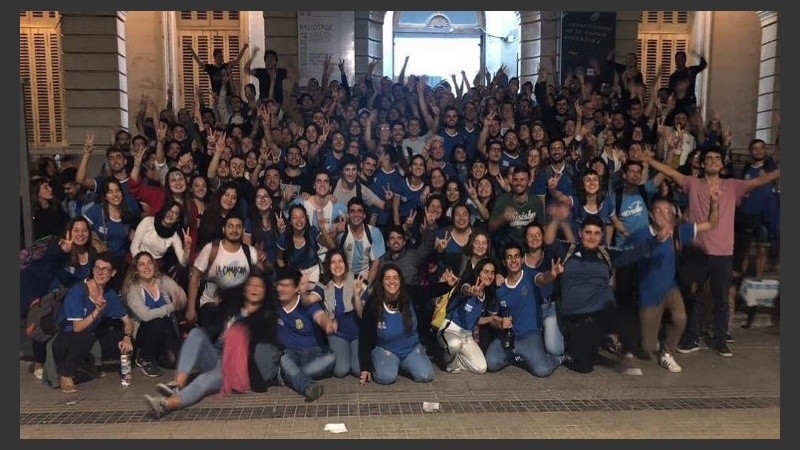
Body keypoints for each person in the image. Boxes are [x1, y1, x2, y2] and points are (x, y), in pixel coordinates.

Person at [640, 146, 780, 357]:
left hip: (723, 251)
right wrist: (647, 159)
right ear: (703, 163)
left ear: (722, 164)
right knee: (694, 297)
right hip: (697, 250)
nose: (713, 161)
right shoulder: (692, 183)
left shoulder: (732, 186)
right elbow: (670, 171)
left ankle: (720, 339)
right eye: (709, 158)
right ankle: (692, 338)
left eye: (717, 158)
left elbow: (760, 181)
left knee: (721, 297)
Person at [544, 212, 671, 374]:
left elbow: (633, 254)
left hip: (602, 312)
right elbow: (548, 242)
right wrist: (556, 218)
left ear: (602, 236)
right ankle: (585, 344)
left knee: (630, 323)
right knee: (583, 367)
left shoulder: (606, 254)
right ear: (580, 233)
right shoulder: (568, 250)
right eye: (588, 232)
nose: (592, 237)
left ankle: (623, 352)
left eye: (596, 233)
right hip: (577, 317)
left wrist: (657, 239)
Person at [144, 271, 280, 418]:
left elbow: (263, 343)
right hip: (215, 355)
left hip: (231, 366)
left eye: (259, 286)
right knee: (196, 333)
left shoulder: (265, 316)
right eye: (251, 285)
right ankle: (176, 385)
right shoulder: (232, 310)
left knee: (203, 380)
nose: (254, 288)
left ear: (265, 291)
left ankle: (165, 404)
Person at [627, 189, 719, 373]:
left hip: (670, 288)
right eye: (659, 211)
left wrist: (714, 203)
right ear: (651, 215)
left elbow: (711, 223)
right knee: (647, 347)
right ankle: (633, 343)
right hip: (649, 294)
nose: (664, 214)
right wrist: (655, 241)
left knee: (680, 318)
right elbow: (627, 257)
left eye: (668, 211)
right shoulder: (640, 235)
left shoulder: (678, 232)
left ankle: (667, 352)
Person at [52, 252, 135, 393]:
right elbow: (77, 328)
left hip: (88, 338)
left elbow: (128, 321)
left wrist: (127, 338)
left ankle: (87, 364)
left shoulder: (110, 294)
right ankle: (66, 375)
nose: (100, 273)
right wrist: (97, 311)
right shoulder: (78, 291)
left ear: (113, 273)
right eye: (97, 268)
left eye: (105, 269)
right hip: (65, 339)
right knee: (85, 336)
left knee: (122, 339)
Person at [358, 264, 452, 385]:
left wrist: (447, 285)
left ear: (401, 281)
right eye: (387, 278)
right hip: (387, 349)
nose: (392, 281)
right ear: (381, 282)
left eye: (395, 278)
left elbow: (428, 291)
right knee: (386, 378)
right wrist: (366, 367)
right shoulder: (373, 303)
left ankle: (404, 363)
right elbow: (364, 336)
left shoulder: (409, 293)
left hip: (410, 348)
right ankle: (390, 361)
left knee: (426, 376)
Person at [485, 243, 566, 377]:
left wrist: (552, 275)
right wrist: (499, 323)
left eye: (517, 256)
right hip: (507, 337)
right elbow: (492, 317)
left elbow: (542, 279)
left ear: (522, 259)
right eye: (509, 257)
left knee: (542, 370)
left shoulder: (529, 276)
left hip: (529, 336)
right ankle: (516, 357)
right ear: (504, 262)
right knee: (491, 363)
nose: (513, 260)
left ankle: (558, 359)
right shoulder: (499, 287)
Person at [274, 266, 337, 401]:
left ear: (297, 288)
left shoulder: (307, 303)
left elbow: (320, 317)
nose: (280, 289)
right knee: (284, 358)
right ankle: (308, 387)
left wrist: (328, 324)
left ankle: (289, 376)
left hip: (315, 352)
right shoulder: (274, 306)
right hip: (291, 353)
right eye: (279, 285)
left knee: (331, 358)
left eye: (285, 285)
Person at [186, 212, 261, 326]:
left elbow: (262, 274)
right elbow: (195, 277)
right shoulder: (211, 249)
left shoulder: (250, 252)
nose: (234, 230)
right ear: (223, 229)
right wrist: (191, 308)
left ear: (243, 230)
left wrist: (264, 262)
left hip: (239, 307)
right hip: (211, 304)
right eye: (230, 226)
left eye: (238, 226)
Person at [122, 251, 187, 377]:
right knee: (156, 321)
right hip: (145, 332)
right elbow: (145, 315)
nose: (146, 267)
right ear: (136, 270)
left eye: (149, 263)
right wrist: (171, 307)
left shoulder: (162, 281)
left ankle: (155, 355)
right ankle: (146, 357)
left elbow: (181, 296)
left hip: (166, 331)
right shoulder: (132, 289)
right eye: (141, 265)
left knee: (173, 362)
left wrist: (179, 299)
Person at [305, 250, 366, 378]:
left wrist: (356, 294)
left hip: (358, 333)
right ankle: (334, 352)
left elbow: (362, 314)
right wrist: (302, 291)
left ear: (345, 263)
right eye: (333, 262)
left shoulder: (357, 280)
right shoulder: (324, 283)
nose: (337, 265)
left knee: (357, 370)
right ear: (328, 266)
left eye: (340, 261)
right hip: (338, 334)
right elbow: (308, 301)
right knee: (341, 371)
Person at [437, 258, 498, 374]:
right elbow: (464, 289)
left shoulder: (487, 296)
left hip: (467, 336)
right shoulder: (467, 286)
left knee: (481, 368)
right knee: (454, 345)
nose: (489, 275)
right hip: (450, 330)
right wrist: (471, 291)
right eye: (485, 272)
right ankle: (448, 361)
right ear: (478, 273)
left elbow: (475, 320)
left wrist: (492, 318)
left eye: (492, 272)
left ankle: (457, 360)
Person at [129, 201, 192, 274]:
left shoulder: (174, 236)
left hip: (154, 268)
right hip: (136, 261)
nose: (171, 214)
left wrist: (187, 249)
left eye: (175, 213)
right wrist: (142, 266)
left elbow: (183, 262)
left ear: (177, 219)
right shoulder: (148, 221)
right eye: (169, 210)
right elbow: (134, 247)